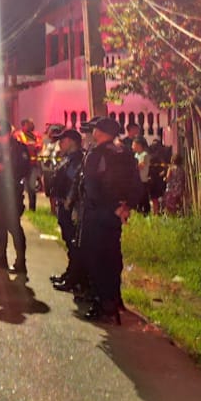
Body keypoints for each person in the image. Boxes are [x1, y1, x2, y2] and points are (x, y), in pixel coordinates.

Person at [76, 116, 147, 323]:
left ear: (100, 132)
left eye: (96, 129)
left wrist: (112, 207)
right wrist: (126, 207)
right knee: (113, 256)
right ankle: (115, 299)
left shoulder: (96, 154)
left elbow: (91, 187)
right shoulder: (125, 153)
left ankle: (103, 304)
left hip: (99, 212)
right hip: (117, 213)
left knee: (97, 258)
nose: (93, 132)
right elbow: (136, 183)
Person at [0, 120, 30, 275]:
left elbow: (22, 168)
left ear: (10, 133)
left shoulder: (18, 148)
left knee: (13, 226)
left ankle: (20, 262)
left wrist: (1, 168)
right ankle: (0, 258)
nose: (0, 138)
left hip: (11, 192)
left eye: (2, 134)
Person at [46, 126, 86, 294]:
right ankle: (70, 274)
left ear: (71, 142)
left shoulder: (78, 160)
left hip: (71, 207)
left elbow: (74, 184)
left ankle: (74, 279)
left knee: (74, 244)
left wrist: (68, 202)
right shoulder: (69, 158)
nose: (60, 144)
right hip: (64, 205)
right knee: (69, 242)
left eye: (62, 141)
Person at [16, 118, 44, 211]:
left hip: (32, 165)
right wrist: (28, 146)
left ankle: (32, 208)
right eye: (29, 124)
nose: (32, 125)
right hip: (20, 165)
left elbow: (39, 145)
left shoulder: (36, 135)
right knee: (18, 186)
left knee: (32, 187)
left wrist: (31, 146)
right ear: (24, 125)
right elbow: (19, 145)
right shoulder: (18, 134)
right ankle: (18, 206)